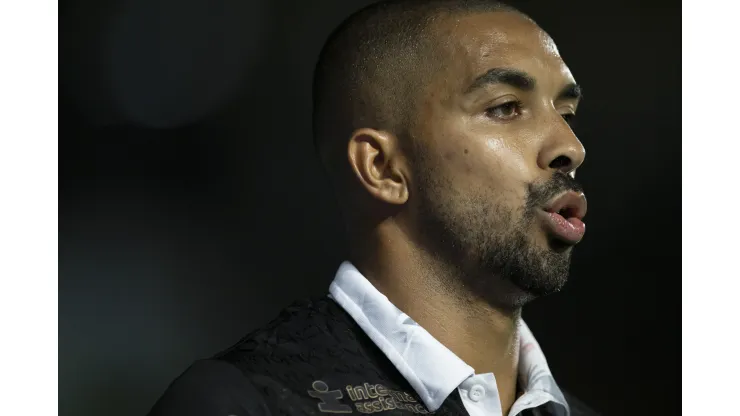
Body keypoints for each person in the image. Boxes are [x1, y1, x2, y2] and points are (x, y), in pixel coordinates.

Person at [147, 1, 597, 415]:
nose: (569, 147)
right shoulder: (245, 402)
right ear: (382, 168)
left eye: (566, 113)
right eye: (505, 108)